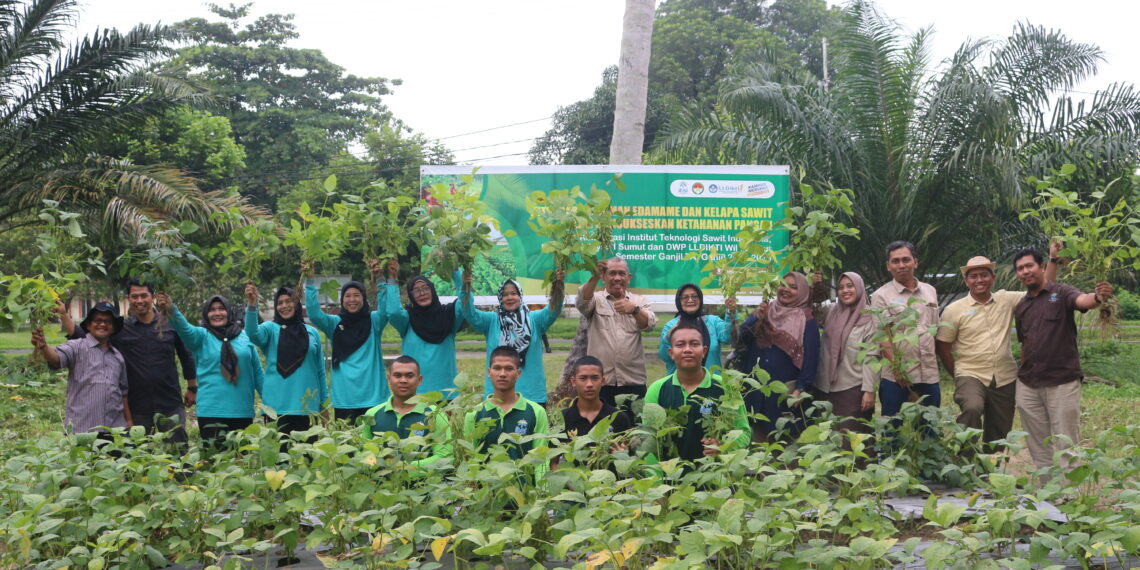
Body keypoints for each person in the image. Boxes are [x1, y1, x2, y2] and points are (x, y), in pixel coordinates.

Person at [936, 254, 1057, 449]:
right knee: (972, 407)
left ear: (993, 277)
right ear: (966, 281)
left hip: (1005, 375)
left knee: (1000, 430)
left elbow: (1043, 290)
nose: (979, 280)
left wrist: (1053, 260)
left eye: (984, 275)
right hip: (970, 372)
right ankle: (965, 459)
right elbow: (942, 347)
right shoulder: (953, 310)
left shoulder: (1006, 300)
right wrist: (957, 373)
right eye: (973, 276)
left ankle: (992, 465)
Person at [56, 278, 198, 444]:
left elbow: (186, 355)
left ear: (152, 297)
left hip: (169, 400)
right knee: (139, 451)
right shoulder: (122, 328)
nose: (139, 301)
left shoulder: (170, 324)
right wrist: (63, 314)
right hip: (137, 405)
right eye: (134, 296)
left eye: (144, 296)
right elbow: (85, 334)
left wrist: (192, 387)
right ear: (128, 298)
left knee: (177, 447)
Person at [1012, 248, 1112, 471]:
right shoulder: (1021, 307)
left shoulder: (1062, 293)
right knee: (1038, 445)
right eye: (1020, 269)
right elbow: (1024, 344)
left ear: (1041, 267)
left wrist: (1098, 297)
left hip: (1062, 382)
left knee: (1066, 443)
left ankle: (1070, 490)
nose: (1025, 271)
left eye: (1029, 266)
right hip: (1028, 384)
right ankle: (1048, 490)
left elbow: (1083, 301)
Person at [156, 293, 262, 446]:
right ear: (206, 314)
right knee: (214, 458)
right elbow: (184, 328)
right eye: (212, 310)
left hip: (242, 411)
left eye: (221, 309)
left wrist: (271, 405)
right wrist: (171, 308)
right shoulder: (201, 337)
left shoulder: (245, 338)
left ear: (229, 311)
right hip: (211, 412)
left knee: (242, 458)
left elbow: (258, 374)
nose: (217, 313)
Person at [644, 323, 750, 463]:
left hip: (713, 473)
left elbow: (743, 432)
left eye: (694, 344)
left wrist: (724, 446)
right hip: (670, 474)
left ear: (704, 351)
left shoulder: (725, 387)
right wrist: (656, 476)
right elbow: (649, 440)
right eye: (680, 345)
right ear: (671, 353)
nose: (687, 349)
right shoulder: (657, 389)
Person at [738, 272, 820, 441]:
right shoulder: (766, 310)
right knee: (756, 439)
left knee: (783, 439)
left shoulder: (806, 319)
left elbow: (811, 359)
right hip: (757, 389)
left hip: (784, 392)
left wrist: (800, 388)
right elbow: (743, 339)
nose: (786, 289)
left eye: (793, 287)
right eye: (783, 285)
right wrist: (756, 318)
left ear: (803, 291)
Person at [304, 260, 388, 422]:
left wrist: (380, 279)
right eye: (347, 296)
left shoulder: (374, 321)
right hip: (345, 400)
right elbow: (314, 314)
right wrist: (310, 280)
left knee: (375, 439)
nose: (352, 300)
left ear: (364, 298)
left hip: (374, 398)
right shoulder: (334, 323)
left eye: (357, 295)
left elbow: (385, 309)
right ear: (342, 300)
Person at [31, 302, 132, 435]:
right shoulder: (77, 347)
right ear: (89, 325)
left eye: (108, 321)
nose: (102, 324)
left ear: (113, 328)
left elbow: (123, 393)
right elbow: (56, 358)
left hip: (114, 430)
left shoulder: (117, 357)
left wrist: (128, 421)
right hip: (82, 430)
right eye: (98, 320)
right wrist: (44, 347)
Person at [463, 272, 564, 404]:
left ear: (520, 295)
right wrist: (465, 287)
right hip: (497, 396)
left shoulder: (535, 319)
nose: (510, 297)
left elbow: (554, 309)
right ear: (500, 298)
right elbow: (469, 313)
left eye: (513, 293)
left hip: (532, 396)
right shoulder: (491, 320)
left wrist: (558, 284)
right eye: (505, 294)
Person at [245, 284, 327, 435]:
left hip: (307, 407)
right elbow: (252, 333)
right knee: (279, 450)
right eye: (280, 303)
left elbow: (320, 372)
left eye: (289, 301)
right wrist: (252, 305)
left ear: (296, 303)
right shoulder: (270, 329)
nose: (284, 306)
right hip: (276, 408)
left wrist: (324, 405)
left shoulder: (311, 332)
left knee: (308, 449)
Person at [870, 241, 941, 416]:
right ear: (888, 266)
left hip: (929, 374)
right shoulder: (880, 296)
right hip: (897, 378)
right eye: (895, 261)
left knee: (930, 425)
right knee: (893, 426)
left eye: (906, 259)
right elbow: (883, 336)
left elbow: (934, 329)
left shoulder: (930, 291)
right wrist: (898, 370)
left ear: (915, 262)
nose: (901, 265)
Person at [575, 257, 657, 406]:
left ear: (629, 277)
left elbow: (650, 324)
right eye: (612, 273)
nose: (617, 278)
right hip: (601, 383)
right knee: (601, 421)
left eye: (621, 273)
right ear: (603, 276)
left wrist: (634, 310)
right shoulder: (596, 299)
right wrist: (594, 277)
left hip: (633, 381)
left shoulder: (639, 301)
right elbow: (582, 302)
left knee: (633, 421)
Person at [384, 260, 465, 400]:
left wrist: (455, 270)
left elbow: (465, 303)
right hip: (415, 395)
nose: (422, 293)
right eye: (416, 290)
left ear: (432, 290)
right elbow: (393, 312)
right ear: (411, 295)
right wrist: (392, 279)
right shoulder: (407, 320)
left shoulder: (449, 317)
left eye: (426, 288)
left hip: (447, 394)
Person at [463, 346, 549, 467]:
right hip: (486, 479)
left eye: (509, 368)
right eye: (497, 368)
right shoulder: (474, 414)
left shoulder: (536, 412)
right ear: (489, 372)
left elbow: (540, 460)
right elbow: (471, 459)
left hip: (523, 480)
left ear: (518, 373)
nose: (502, 374)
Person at [363, 355, 451, 468]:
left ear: (419, 380)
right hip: (381, 477)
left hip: (424, 479)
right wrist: (378, 467)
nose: (403, 380)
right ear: (389, 379)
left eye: (409, 376)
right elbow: (364, 452)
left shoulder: (435, 414)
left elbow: (445, 457)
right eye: (397, 375)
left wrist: (404, 469)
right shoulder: (372, 414)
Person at [817, 272, 876, 435]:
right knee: (828, 438)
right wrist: (816, 285)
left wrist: (869, 390)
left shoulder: (869, 317)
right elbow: (809, 308)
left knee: (852, 437)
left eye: (850, 286)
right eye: (841, 287)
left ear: (860, 288)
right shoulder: (831, 311)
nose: (845, 291)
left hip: (852, 389)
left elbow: (871, 357)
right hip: (824, 388)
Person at [658, 283, 734, 375]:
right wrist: (669, 336)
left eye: (694, 296)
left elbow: (728, 338)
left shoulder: (713, 322)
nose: (690, 300)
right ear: (679, 301)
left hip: (712, 381)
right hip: (680, 382)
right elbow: (665, 356)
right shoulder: (670, 326)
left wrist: (731, 312)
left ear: (700, 299)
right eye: (685, 297)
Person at [561, 355, 634, 439]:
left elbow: (625, 446)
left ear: (602, 381)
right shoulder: (562, 419)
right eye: (583, 378)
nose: (589, 384)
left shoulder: (618, 418)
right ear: (573, 382)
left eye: (595, 378)